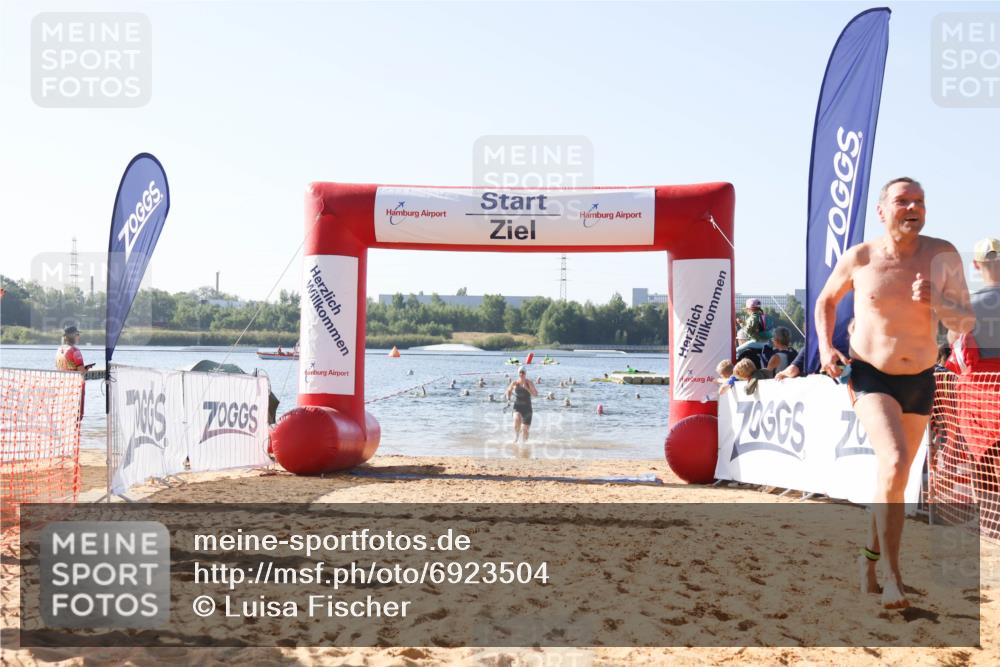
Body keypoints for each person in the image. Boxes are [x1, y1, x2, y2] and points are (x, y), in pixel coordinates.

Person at [815, 177, 975, 609]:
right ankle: (892, 576)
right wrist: (827, 347)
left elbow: (964, 323)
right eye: (903, 201)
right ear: (882, 211)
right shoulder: (861, 257)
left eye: (920, 201)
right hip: (871, 374)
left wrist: (938, 304)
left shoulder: (942, 255)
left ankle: (868, 563)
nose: (913, 208)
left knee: (894, 478)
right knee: (896, 461)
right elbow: (826, 301)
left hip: (921, 377)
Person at [504, 366, 538, 445]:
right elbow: (508, 391)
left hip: (527, 407)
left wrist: (527, 388)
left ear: (525, 374)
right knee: (516, 419)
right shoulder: (515, 383)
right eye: (520, 372)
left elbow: (535, 394)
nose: (522, 374)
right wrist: (508, 399)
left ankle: (524, 444)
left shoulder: (529, 382)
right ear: (518, 373)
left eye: (523, 372)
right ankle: (516, 437)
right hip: (517, 406)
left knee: (525, 429)